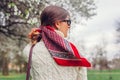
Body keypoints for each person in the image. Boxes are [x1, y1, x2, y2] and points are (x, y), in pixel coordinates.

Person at [23, 5, 91, 80]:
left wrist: (37, 37)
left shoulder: (30, 50)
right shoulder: (75, 50)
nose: (69, 26)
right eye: (68, 22)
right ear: (57, 23)